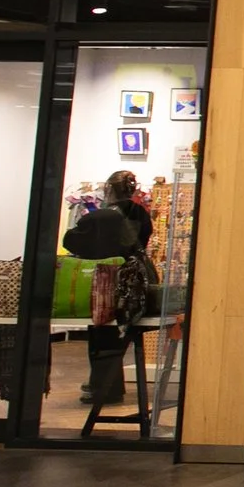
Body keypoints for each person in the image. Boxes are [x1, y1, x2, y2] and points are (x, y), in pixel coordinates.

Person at [63, 171, 153, 406]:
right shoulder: (140, 213)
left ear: (110, 189)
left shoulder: (103, 216)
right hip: (136, 275)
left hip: (109, 278)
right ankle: (106, 383)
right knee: (117, 334)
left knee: (102, 331)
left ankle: (104, 385)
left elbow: (73, 240)